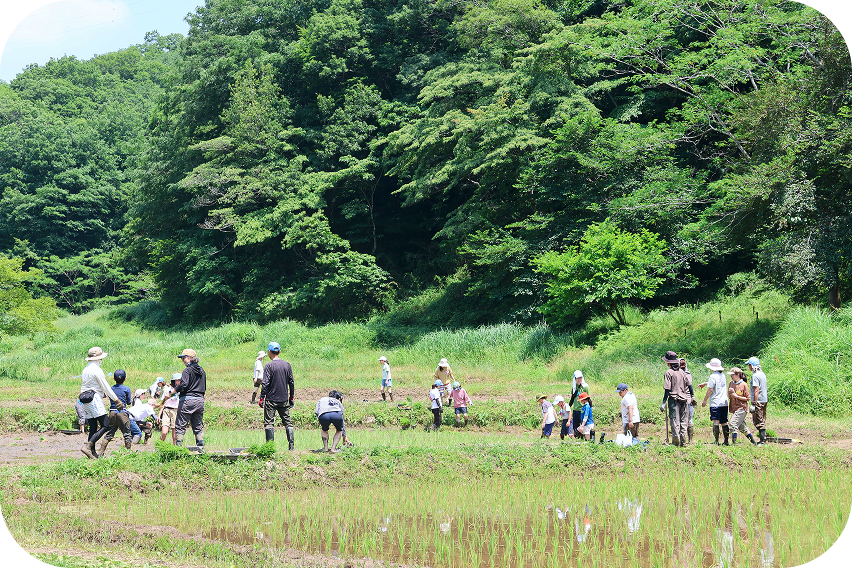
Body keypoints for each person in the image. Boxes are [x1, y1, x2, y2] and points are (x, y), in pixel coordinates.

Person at [78, 347, 122, 459]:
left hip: (85, 398)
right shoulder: (97, 370)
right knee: (105, 425)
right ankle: (88, 447)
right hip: (94, 399)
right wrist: (116, 399)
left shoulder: (86, 369)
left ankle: (92, 454)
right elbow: (106, 387)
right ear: (99, 359)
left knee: (93, 426)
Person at [259, 342, 295, 450]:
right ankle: (291, 447)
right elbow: (291, 382)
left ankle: (270, 448)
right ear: (279, 352)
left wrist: (261, 397)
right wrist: (291, 397)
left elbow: (265, 383)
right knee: (287, 422)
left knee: (269, 423)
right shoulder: (287, 365)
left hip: (271, 400)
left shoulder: (269, 366)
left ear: (269, 352)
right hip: (284, 399)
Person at [174, 348, 207, 448]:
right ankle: (200, 448)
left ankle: (178, 448)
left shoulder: (187, 370)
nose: (183, 360)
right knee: (197, 425)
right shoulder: (202, 371)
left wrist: (173, 391)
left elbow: (183, 385)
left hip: (187, 401)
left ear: (190, 358)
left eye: (184, 358)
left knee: (180, 424)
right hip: (200, 401)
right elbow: (204, 387)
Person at [97, 369, 134, 456]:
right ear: (125, 379)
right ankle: (128, 453)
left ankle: (100, 452)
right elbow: (129, 402)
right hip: (122, 413)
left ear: (114, 379)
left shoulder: (111, 389)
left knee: (110, 433)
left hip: (112, 412)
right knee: (127, 433)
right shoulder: (126, 389)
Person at [660, 351, 694, 446]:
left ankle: (676, 442)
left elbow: (667, 389)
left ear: (668, 363)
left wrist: (663, 402)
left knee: (674, 420)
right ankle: (683, 441)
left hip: (673, 400)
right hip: (684, 400)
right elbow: (689, 385)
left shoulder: (669, 372)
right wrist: (692, 396)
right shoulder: (682, 372)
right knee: (683, 421)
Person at [699, 358, 730, 445]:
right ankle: (726, 441)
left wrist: (705, 400)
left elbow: (710, 390)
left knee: (716, 421)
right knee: (724, 422)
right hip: (724, 402)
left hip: (715, 402)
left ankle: (716, 441)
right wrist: (706, 383)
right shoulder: (723, 376)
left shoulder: (713, 376)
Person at [727, 367, 757, 445]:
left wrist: (736, 396)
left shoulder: (744, 385)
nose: (731, 376)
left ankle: (734, 443)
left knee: (733, 424)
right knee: (742, 428)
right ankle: (754, 443)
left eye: (732, 375)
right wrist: (730, 393)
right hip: (734, 408)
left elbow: (747, 398)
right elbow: (730, 397)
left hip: (742, 408)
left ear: (738, 375)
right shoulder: (731, 383)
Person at [747, 357, 768, 445]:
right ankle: (763, 439)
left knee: (758, 420)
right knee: (762, 419)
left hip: (758, 400)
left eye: (749, 365)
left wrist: (754, 403)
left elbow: (756, 390)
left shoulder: (755, 376)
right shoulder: (762, 374)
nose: (749, 367)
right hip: (764, 399)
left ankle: (763, 441)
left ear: (752, 366)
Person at [157, 374, 180, 444]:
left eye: (179, 380)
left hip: (176, 411)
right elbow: (164, 403)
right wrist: (159, 414)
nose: (178, 382)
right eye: (177, 380)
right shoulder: (168, 389)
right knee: (164, 432)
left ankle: (175, 449)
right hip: (166, 410)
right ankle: (159, 445)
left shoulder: (182, 390)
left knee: (174, 435)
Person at [568, 371, 591, 438]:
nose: (579, 379)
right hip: (575, 409)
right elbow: (572, 398)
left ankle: (585, 438)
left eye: (580, 378)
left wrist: (589, 408)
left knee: (583, 425)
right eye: (577, 378)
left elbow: (588, 398)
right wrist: (568, 407)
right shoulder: (574, 387)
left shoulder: (585, 387)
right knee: (576, 426)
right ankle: (578, 439)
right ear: (575, 379)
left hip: (583, 409)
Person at [680, 357, 697, 443]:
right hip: (689, 399)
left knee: (682, 419)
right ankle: (690, 440)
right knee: (690, 419)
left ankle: (683, 439)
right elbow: (690, 387)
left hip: (681, 399)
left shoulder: (678, 374)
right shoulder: (688, 375)